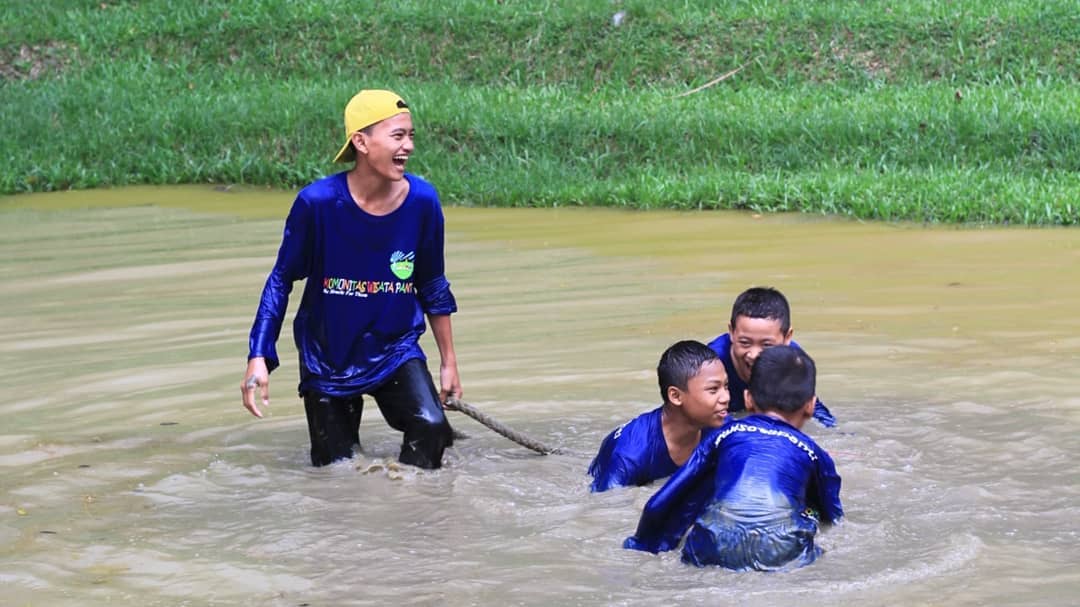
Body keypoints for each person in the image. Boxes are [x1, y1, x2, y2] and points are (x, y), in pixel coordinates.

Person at [240, 89, 460, 469]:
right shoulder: (318, 204)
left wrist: (448, 362)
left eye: (410, 136)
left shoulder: (423, 201)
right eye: (397, 136)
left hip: (394, 348)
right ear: (361, 142)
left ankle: (413, 516)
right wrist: (259, 355)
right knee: (335, 470)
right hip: (329, 356)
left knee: (432, 427)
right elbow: (281, 279)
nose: (407, 146)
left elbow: (432, 284)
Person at [623, 345, 843, 571]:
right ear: (810, 406)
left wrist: (642, 545)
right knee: (811, 511)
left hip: (712, 547)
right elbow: (833, 516)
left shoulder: (724, 435)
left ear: (748, 399)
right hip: (780, 553)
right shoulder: (813, 452)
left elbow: (671, 495)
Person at [588, 340, 730, 492]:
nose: (726, 397)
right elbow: (605, 508)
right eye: (713, 389)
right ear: (675, 396)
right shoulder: (631, 456)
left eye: (726, 386)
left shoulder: (719, 427)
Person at [705, 286, 837, 427]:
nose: (754, 355)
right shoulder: (712, 363)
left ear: (787, 338)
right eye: (745, 343)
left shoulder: (792, 361)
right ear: (731, 333)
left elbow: (812, 407)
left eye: (766, 345)